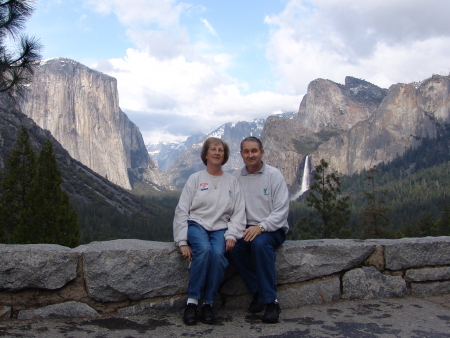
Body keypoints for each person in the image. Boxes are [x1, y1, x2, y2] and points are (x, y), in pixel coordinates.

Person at [173, 137, 246, 326]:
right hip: (197, 224)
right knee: (204, 250)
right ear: (205, 154)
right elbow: (182, 210)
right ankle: (192, 301)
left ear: (225, 155)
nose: (217, 153)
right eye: (213, 149)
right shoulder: (195, 179)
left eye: (220, 150)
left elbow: (239, 212)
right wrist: (182, 241)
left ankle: (208, 303)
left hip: (221, 228)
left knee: (217, 255)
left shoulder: (232, 181)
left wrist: (231, 235)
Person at [227, 136, 289, 324]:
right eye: (246, 151)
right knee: (233, 248)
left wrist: (261, 227)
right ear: (241, 154)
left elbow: (282, 210)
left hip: (272, 228)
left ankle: (271, 302)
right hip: (246, 228)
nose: (250, 155)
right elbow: (231, 208)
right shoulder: (236, 177)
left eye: (254, 151)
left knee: (260, 245)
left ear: (262, 152)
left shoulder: (274, 175)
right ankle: (258, 291)